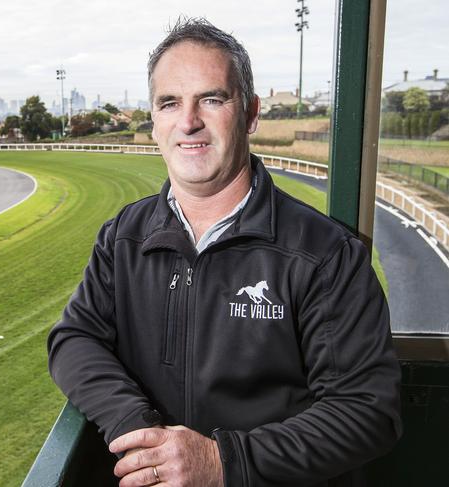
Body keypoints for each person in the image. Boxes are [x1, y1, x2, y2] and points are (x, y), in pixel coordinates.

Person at [48, 18, 401, 487]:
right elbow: (74, 338)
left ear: (251, 114)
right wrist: (137, 426)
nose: (189, 121)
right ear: (154, 122)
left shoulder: (326, 255)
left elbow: (366, 411)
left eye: (212, 99)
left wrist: (222, 463)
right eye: (170, 103)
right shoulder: (124, 236)